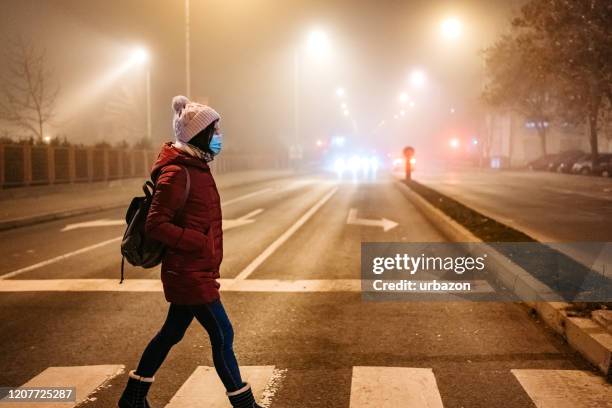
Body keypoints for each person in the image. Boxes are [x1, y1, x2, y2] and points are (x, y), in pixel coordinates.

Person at [118, 96, 261, 408]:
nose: (220, 136)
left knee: (171, 333)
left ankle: (133, 396)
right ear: (199, 134)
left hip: (195, 270)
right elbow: (156, 224)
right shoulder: (177, 173)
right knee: (222, 335)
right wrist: (196, 241)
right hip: (188, 272)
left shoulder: (195, 166)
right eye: (215, 130)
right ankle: (244, 404)